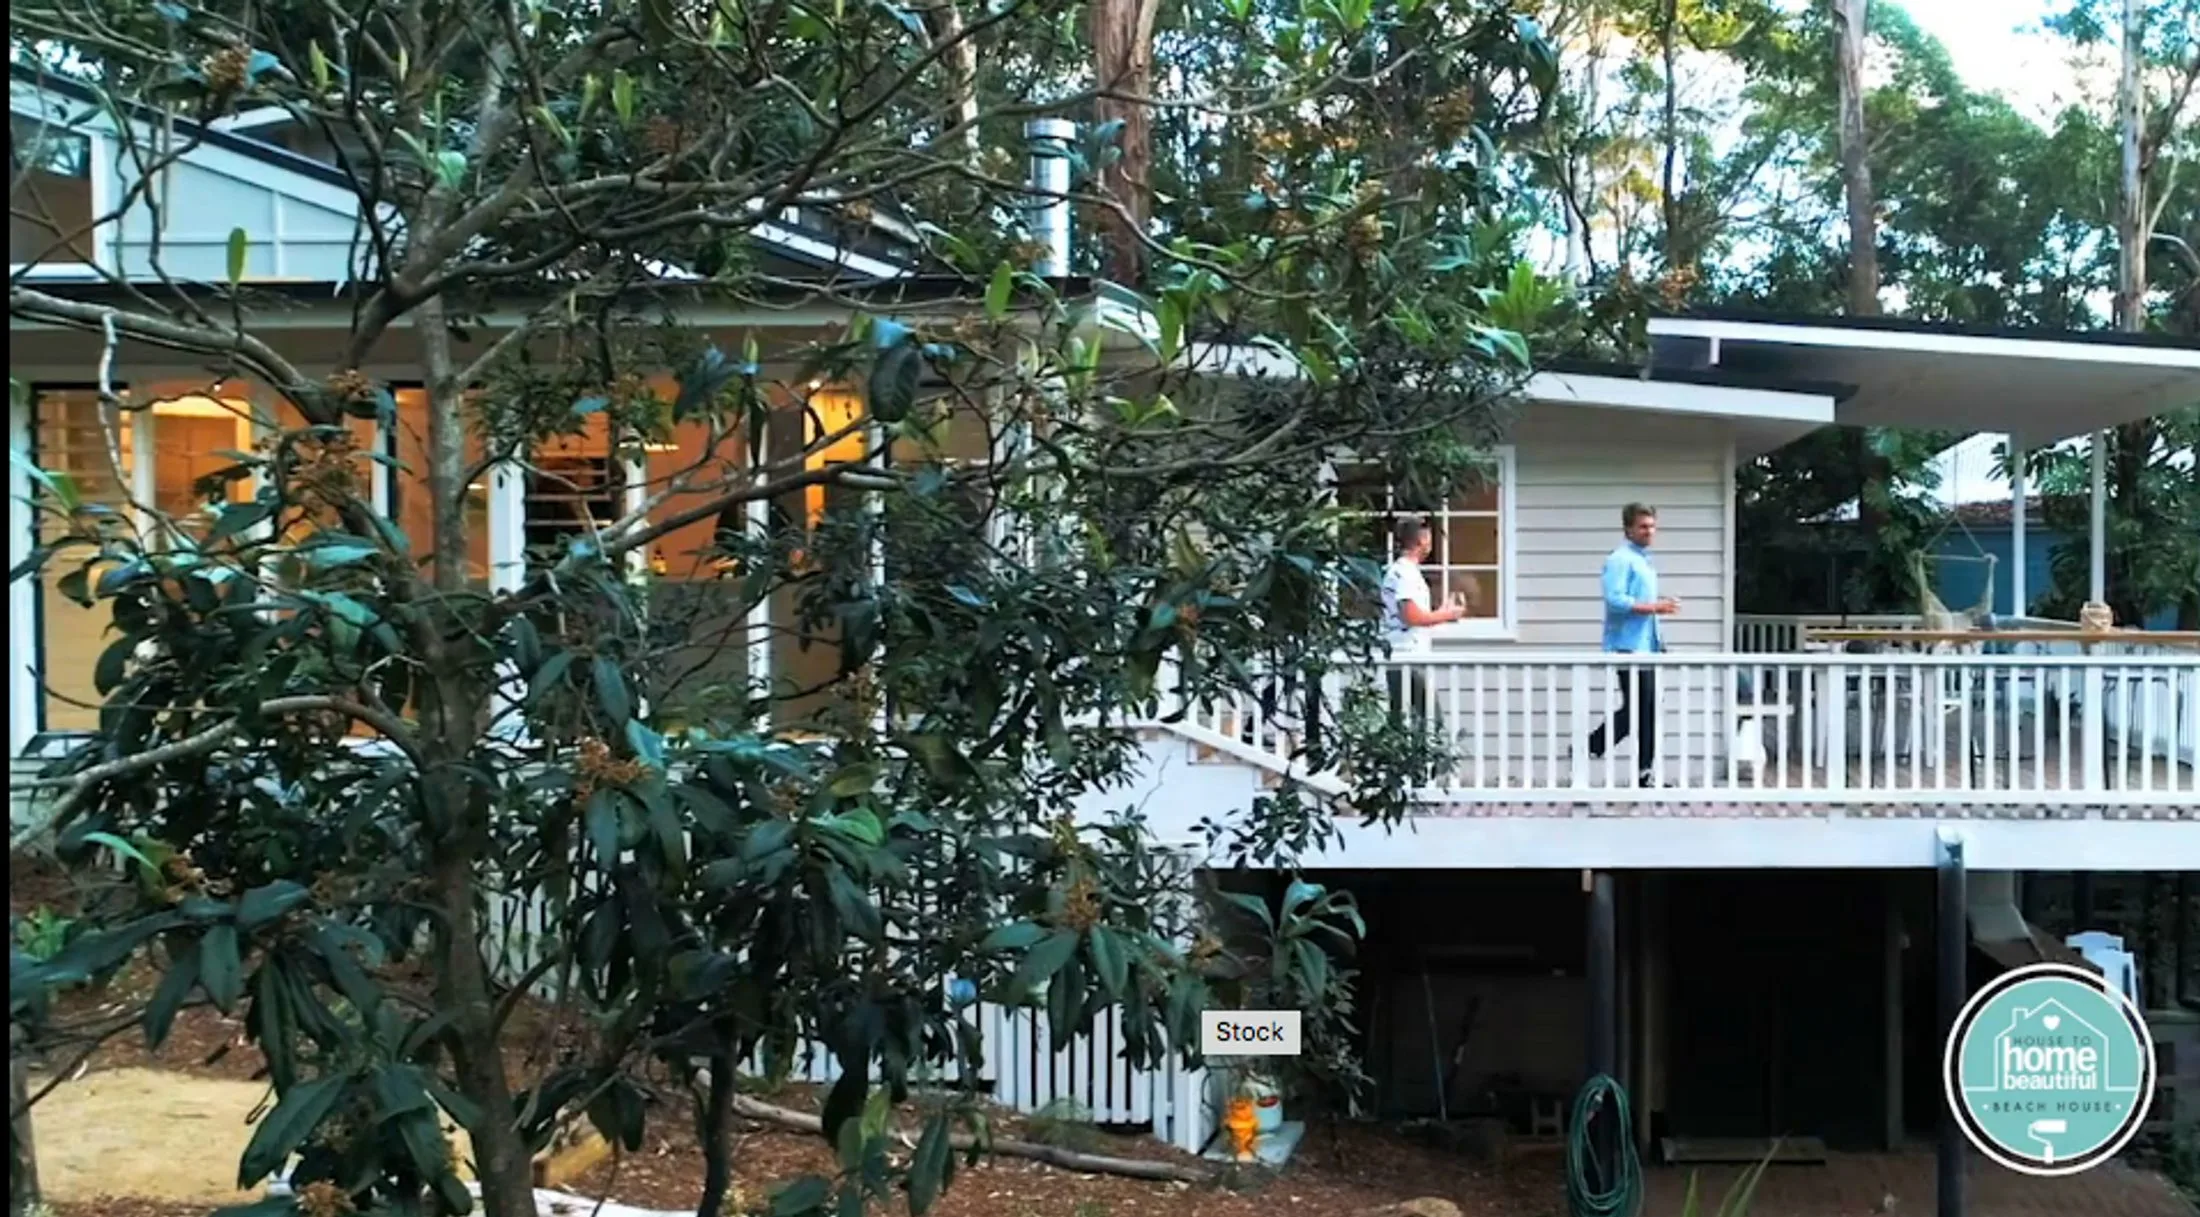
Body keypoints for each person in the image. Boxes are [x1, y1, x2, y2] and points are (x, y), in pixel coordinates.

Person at [1587, 503, 1678, 786]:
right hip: (1626, 647)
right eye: (1643, 526)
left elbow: (1644, 607)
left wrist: (1658, 639)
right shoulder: (1620, 559)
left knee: (1647, 708)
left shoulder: (1643, 560)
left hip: (1646, 647)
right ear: (1628, 529)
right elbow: (1615, 601)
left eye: (1652, 526)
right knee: (1640, 708)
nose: (1649, 531)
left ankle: (1644, 773)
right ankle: (1592, 745)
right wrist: (1656, 607)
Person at [1380, 516, 1469, 722]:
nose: (1430, 542)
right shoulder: (1406, 573)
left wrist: (1440, 614)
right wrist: (1447, 614)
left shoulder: (1400, 571)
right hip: (1407, 655)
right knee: (1432, 720)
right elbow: (1411, 616)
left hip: (1402, 655)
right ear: (1421, 539)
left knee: (1401, 719)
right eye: (1428, 536)